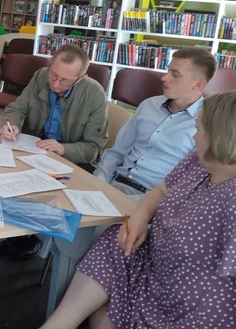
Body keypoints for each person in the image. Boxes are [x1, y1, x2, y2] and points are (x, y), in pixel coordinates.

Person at [42, 91, 236, 329]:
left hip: (191, 305)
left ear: (221, 137)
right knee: (113, 240)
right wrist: (140, 218)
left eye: (199, 130)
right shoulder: (198, 161)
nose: (194, 137)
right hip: (151, 265)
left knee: (103, 315)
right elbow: (162, 189)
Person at [0, 44, 108, 257]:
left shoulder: (95, 95)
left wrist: (63, 149)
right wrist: (12, 124)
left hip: (69, 163)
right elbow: (17, 108)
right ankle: (18, 232)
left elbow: (93, 148)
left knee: (33, 187)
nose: (55, 84)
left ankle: (32, 237)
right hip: (33, 150)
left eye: (64, 80)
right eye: (53, 75)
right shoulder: (41, 75)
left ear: (81, 78)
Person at [95, 47, 217, 197]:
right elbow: (117, 152)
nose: (164, 78)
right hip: (114, 185)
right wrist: (98, 182)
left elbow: (191, 183)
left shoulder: (207, 124)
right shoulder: (149, 105)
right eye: (168, 70)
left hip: (152, 199)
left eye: (175, 74)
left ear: (198, 85)